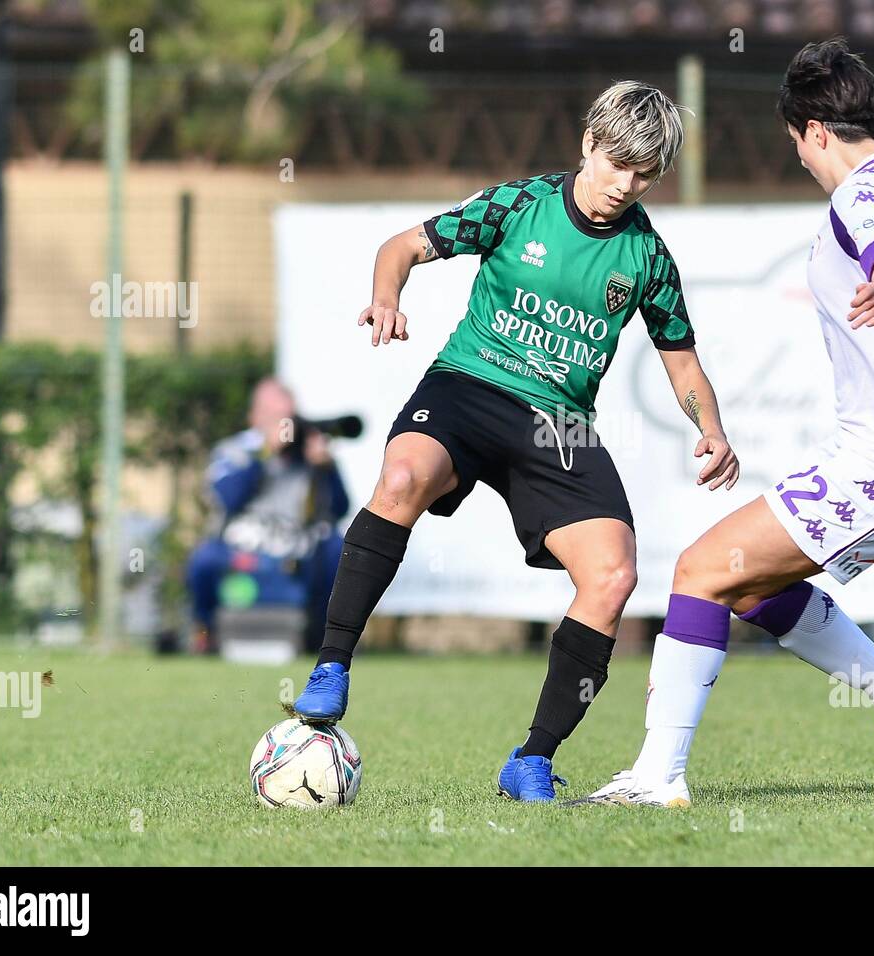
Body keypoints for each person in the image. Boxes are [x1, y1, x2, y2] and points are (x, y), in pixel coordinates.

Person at [290, 81, 741, 801]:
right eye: (616, 162)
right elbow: (402, 245)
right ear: (589, 144)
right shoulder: (519, 204)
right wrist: (387, 295)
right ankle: (332, 665)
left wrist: (711, 429)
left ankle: (531, 757)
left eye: (645, 173)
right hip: (470, 385)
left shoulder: (647, 259)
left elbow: (680, 358)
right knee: (403, 477)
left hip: (556, 421)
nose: (625, 185)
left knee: (613, 575)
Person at [582, 38, 874, 807]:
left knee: (699, 570)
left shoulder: (863, 195)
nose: (800, 159)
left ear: (815, 132)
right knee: (742, 583)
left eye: (796, 143)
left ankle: (656, 778)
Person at [187, 378, 349, 653]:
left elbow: (339, 509)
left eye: (289, 418)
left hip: (296, 548)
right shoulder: (234, 450)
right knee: (203, 561)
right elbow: (228, 499)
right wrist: (266, 452)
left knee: (337, 551)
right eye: (276, 418)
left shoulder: (307, 456)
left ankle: (322, 642)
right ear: (254, 417)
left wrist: (327, 469)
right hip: (240, 546)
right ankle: (207, 635)